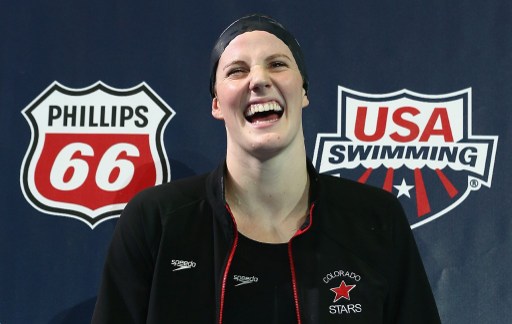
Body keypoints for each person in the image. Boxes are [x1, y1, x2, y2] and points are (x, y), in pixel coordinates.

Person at [91, 14, 441, 324]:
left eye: (277, 64)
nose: (258, 80)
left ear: (303, 91)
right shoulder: (157, 221)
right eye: (237, 70)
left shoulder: (376, 218)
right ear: (216, 103)